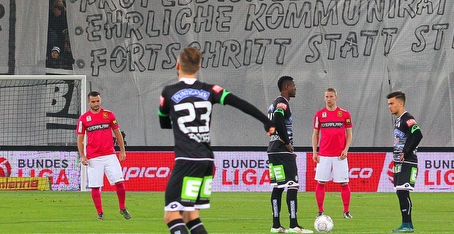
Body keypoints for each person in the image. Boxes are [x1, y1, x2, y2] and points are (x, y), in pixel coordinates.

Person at [159, 47, 276, 234]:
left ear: (178, 65)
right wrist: (266, 122)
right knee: (191, 216)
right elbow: (240, 103)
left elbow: (164, 122)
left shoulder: (169, 92)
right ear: (199, 66)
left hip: (186, 160)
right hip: (206, 161)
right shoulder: (211, 90)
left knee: (172, 215)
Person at [77, 90, 130, 220]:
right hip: (93, 157)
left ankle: (122, 208)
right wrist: (82, 156)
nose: (96, 104)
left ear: (100, 100)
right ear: (89, 102)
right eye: (93, 101)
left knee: (119, 182)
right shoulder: (83, 119)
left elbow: (117, 133)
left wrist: (122, 150)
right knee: (95, 186)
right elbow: (80, 138)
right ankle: (100, 213)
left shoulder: (109, 115)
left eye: (98, 101)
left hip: (109, 155)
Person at [268, 76, 311, 234]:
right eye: (293, 85)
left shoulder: (273, 104)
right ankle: (294, 225)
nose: (295, 88)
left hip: (272, 150)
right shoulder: (282, 103)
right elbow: (279, 119)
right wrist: (287, 143)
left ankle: (276, 225)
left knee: (278, 187)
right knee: (293, 185)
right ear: (286, 87)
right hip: (281, 150)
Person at [311, 88, 354, 219]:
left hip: (339, 155)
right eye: (326, 96)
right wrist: (314, 152)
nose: (329, 99)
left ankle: (346, 211)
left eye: (331, 96)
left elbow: (349, 133)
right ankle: (320, 210)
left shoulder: (344, 114)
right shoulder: (319, 115)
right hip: (323, 154)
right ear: (324, 98)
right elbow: (315, 134)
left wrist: (346, 150)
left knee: (344, 183)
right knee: (321, 182)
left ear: (336, 98)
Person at [387, 91, 422, 234]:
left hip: (408, 162)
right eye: (388, 104)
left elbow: (418, 134)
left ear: (401, 103)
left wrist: (406, 152)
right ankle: (407, 224)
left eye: (392, 103)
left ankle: (407, 225)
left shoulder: (408, 118)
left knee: (403, 192)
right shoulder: (398, 120)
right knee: (401, 192)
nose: (389, 106)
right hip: (400, 162)